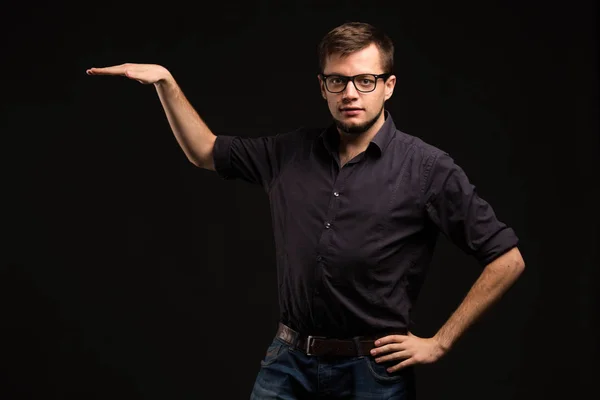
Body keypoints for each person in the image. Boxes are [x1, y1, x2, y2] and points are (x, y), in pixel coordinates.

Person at [86, 21, 525, 399]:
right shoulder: (288, 152)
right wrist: (166, 81)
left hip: (372, 372)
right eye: (338, 80)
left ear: (389, 86)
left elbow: (507, 258)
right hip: (288, 361)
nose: (351, 92)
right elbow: (204, 151)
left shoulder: (428, 168)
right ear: (323, 87)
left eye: (365, 80)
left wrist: (440, 343)